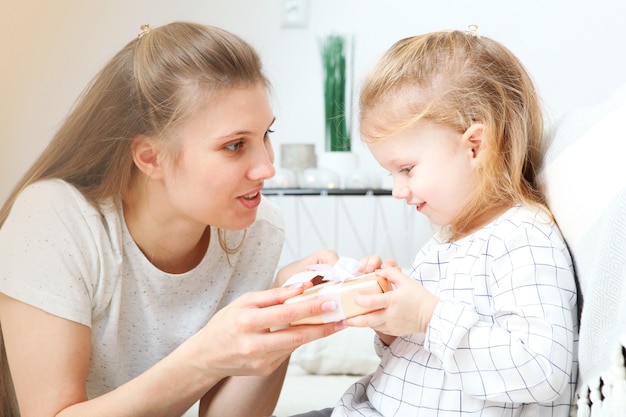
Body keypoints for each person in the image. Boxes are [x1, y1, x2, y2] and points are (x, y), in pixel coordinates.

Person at [0, 21, 377, 417]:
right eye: (235, 146)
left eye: (266, 135)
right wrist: (206, 355)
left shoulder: (257, 229)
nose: (267, 167)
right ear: (150, 157)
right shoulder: (54, 220)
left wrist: (281, 312)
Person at [292, 28, 579, 417]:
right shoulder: (444, 243)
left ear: (475, 146)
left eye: (406, 168)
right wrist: (394, 327)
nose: (397, 190)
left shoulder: (524, 238)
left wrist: (428, 316)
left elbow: (542, 370)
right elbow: (426, 366)